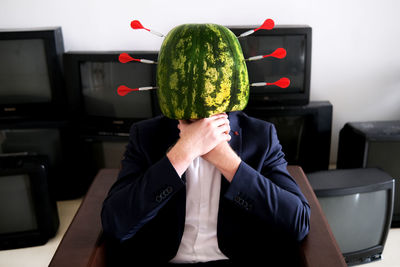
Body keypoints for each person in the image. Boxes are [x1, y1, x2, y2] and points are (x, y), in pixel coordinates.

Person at [101, 110, 311, 266]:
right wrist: (182, 154)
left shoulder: (261, 135)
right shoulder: (145, 134)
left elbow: (297, 221)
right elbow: (115, 223)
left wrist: (228, 161)